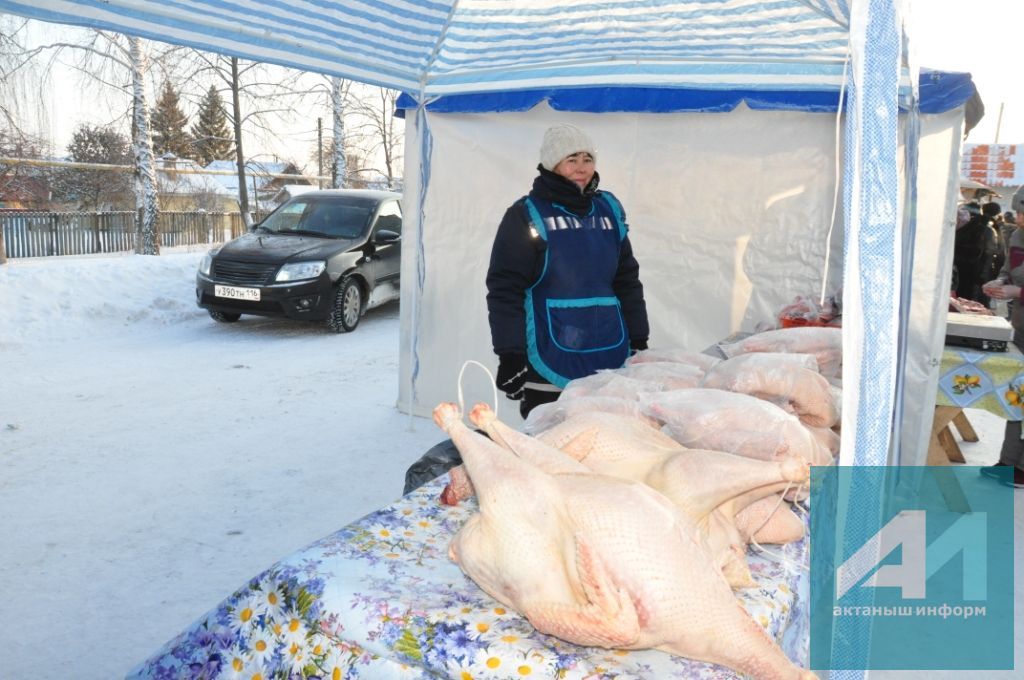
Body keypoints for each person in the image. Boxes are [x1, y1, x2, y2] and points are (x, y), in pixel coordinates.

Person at [486, 124, 650, 418]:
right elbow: (505, 289)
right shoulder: (526, 214)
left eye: (587, 159)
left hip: (609, 345)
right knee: (551, 441)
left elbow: (626, 279)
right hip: (550, 351)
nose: (581, 168)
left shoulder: (609, 210)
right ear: (553, 164)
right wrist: (510, 354)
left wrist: (639, 337)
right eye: (571, 159)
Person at [980, 186, 1024, 488]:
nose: (1020, 218)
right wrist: (1000, 281)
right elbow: (1010, 270)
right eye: (1019, 211)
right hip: (1020, 327)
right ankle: (1008, 462)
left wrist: (1019, 292)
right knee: (1017, 396)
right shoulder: (1017, 235)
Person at [953, 202, 998, 305]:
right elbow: (993, 256)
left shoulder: (958, 229)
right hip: (977, 280)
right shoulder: (989, 230)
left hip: (959, 279)